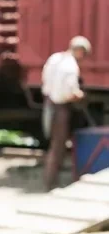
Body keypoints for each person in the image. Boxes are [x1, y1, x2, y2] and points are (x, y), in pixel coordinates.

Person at [41, 35, 91, 190]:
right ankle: (51, 184)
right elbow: (71, 92)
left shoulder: (54, 59)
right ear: (80, 50)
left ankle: (50, 180)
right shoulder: (71, 66)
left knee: (54, 145)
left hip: (49, 104)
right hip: (61, 108)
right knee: (58, 146)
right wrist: (81, 95)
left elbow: (45, 80)